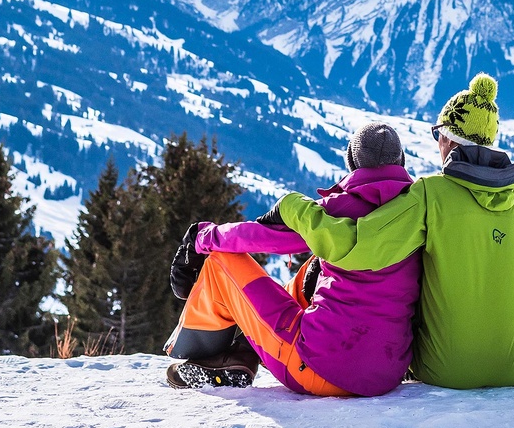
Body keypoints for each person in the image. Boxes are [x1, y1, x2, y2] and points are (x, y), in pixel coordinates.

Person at [274, 73, 514, 389]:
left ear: (449, 139)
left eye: (438, 136)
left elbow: (358, 246)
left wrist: (294, 207)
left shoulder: (430, 194)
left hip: (445, 369)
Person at [163, 122, 421, 397]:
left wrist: (202, 237)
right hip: (385, 374)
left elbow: (259, 237)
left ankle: (205, 355)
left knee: (220, 263)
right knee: (313, 268)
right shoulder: (420, 215)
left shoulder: (335, 212)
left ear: (353, 162)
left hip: (316, 369)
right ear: (401, 161)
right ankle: (243, 353)